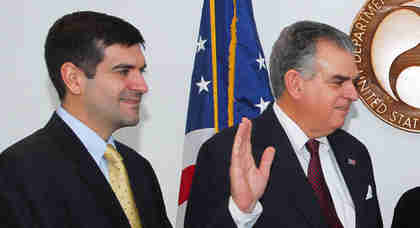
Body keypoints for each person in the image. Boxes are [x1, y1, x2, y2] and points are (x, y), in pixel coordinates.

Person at [185, 21, 383, 228]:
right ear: (295, 84)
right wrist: (241, 212)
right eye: (338, 82)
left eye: (354, 83)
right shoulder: (227, 153)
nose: (353, 94)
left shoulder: (355, 153)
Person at [0, 11, 172, 228]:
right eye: (123, 71)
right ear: (73, 79)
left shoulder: (139, 170)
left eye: (141, 71)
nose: (141, 86)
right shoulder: (21, 170)